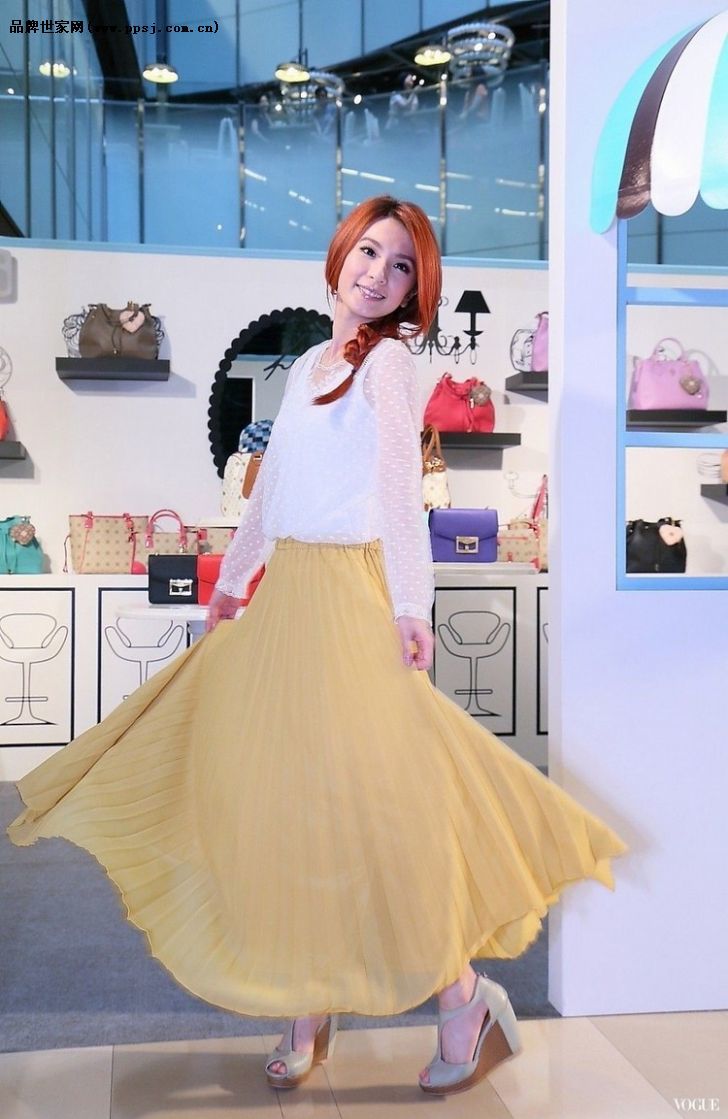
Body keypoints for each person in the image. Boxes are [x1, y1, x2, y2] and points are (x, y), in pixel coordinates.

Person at [7, 195, 628, 1098]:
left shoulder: (391, 364)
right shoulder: (305, 365)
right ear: (340, 254)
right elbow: (270, 492)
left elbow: (399, 491)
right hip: (287, 597)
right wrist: (231, 582)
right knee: (289, 807)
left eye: (402, 265)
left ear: (415, 289)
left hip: (351, 596)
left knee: (377, 813)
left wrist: (410, 604)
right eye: (369, 252)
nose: (378, 274)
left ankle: (462, 999)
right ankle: (308, 1003)